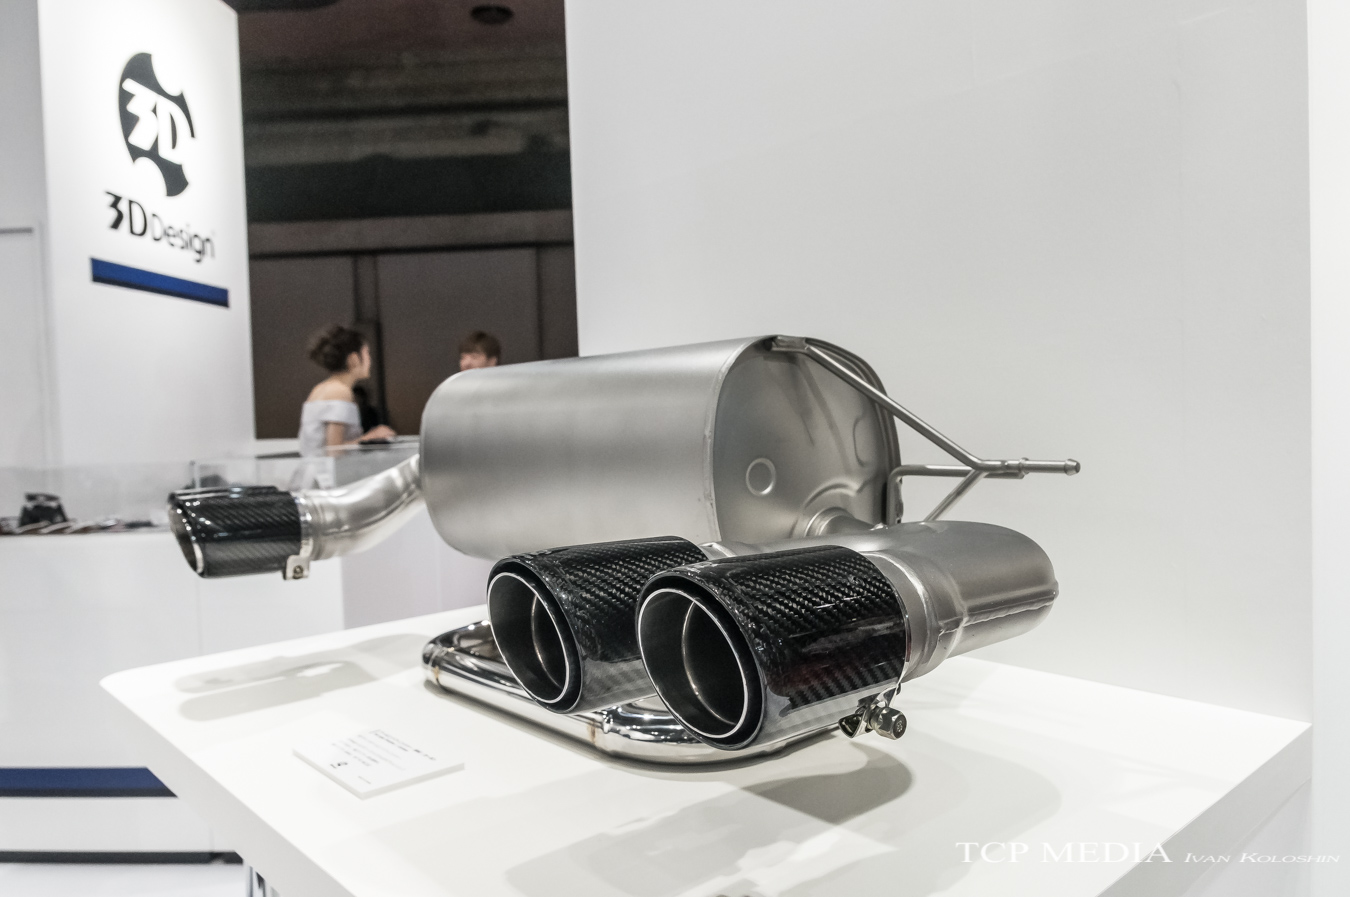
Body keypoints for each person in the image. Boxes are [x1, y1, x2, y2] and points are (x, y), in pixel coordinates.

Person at [299, 325, 396, 456]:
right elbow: (334, 450)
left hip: (314, 468)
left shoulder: (321, 388)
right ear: (354, 359)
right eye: (367, 353)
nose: (370, 360)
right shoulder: (340, 392)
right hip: (326, 469)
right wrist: (371, 437)